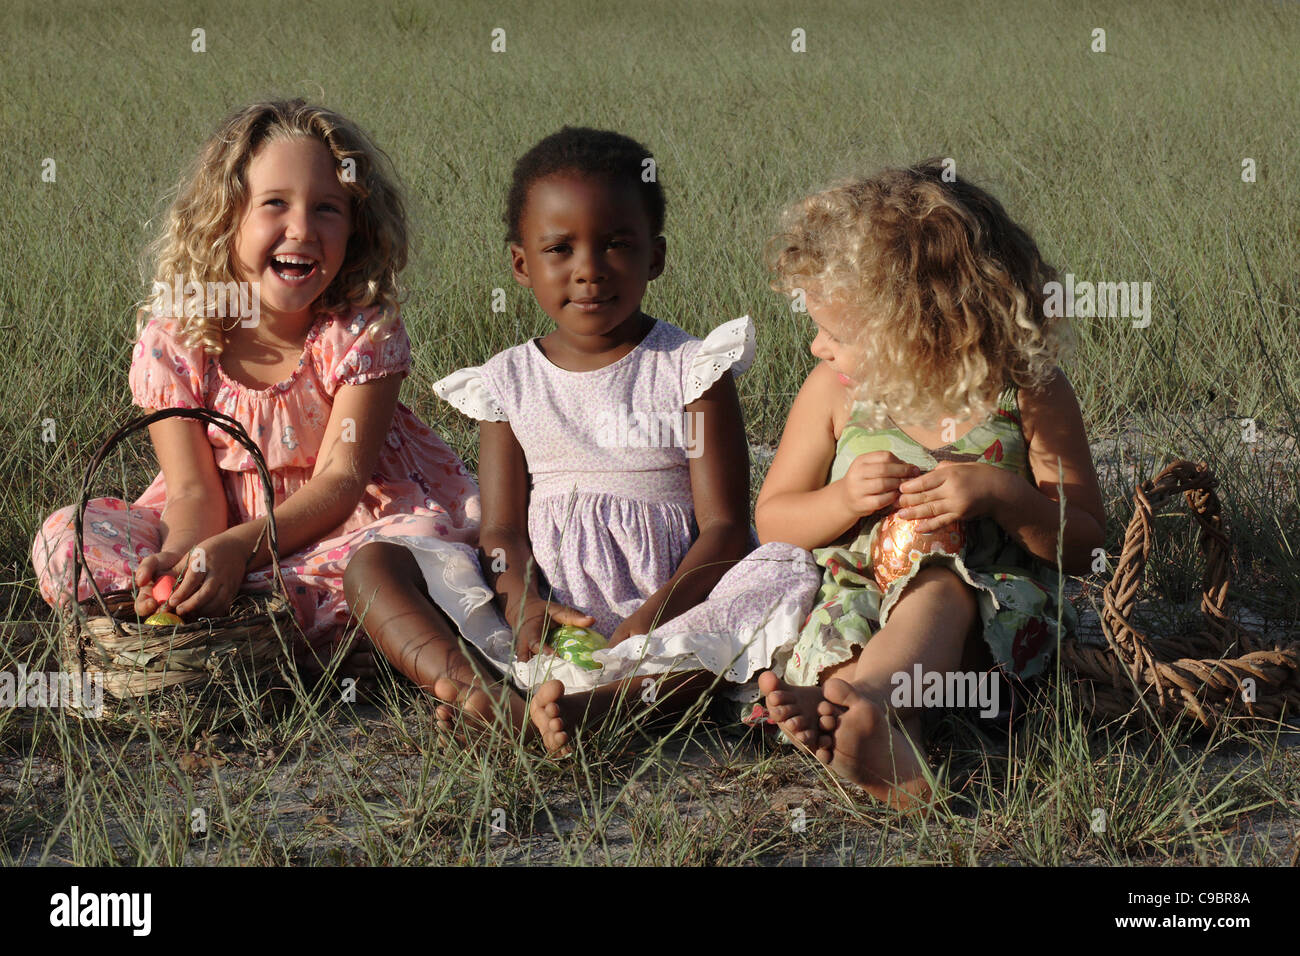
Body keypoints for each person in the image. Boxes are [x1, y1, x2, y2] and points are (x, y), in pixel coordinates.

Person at [343, 126, 819, 752]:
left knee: (785, 572)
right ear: (522, 265)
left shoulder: (693, 369)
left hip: (668, 613)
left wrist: (654, 616)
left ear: (656, 255)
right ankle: (473, 692)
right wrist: (521, 606)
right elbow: (504, 531)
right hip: (545, 618)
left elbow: (726, 529)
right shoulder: (506, 383)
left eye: (618, 244)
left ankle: (593, 712)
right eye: (560, 249)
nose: (589, 270)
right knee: (377, 563)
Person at [31, 99, 480, 680]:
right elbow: (193, 490)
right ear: (225, 217)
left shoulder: (359, 330)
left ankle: (267, 626)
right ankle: (247, 620)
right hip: (212, 524)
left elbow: (342, 484)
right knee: (65, 540)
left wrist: (243, 550)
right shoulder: (180, 334)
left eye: (327, 209)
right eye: (275, 204)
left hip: (337, 524)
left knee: (419, 543)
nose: (303, 229)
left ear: (357, 226)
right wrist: (184, 559)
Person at [755, 160, 1105, 809]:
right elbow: (773, 520)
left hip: (988, 631)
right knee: (858, 628)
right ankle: (867, 719)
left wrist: (1003, 496)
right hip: (855, 610)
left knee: (938, 581)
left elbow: (1084, 541)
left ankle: (869, 705)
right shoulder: (831, 395)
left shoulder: (1027, 391)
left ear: (919, 324)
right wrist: (841, 500)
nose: (815, 348)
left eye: (836, 333)